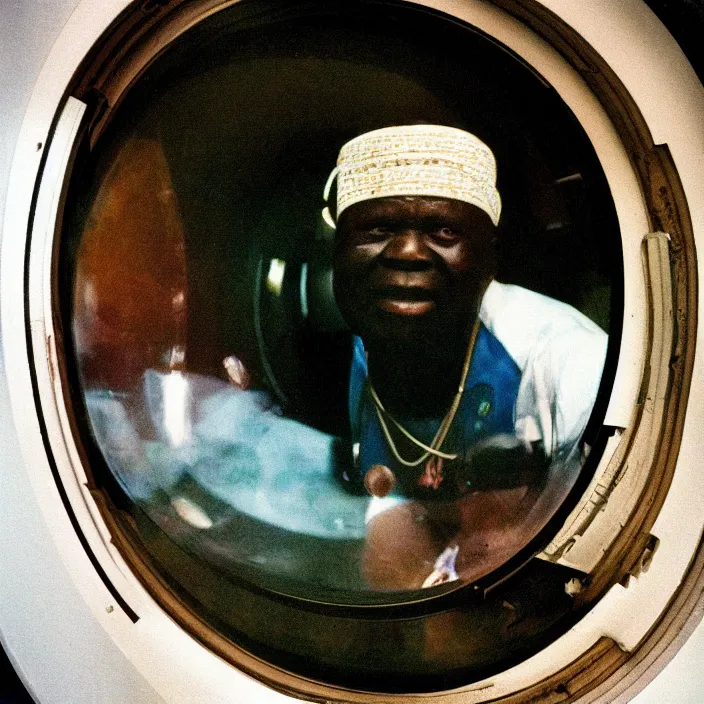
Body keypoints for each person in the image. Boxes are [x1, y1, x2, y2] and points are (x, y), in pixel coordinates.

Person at [324, 124, 608, 590]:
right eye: (377, 228)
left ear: (489, 259)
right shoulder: (362, 342)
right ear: (337, 253)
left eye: (444, 230)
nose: (409, 252)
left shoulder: (571, 362)